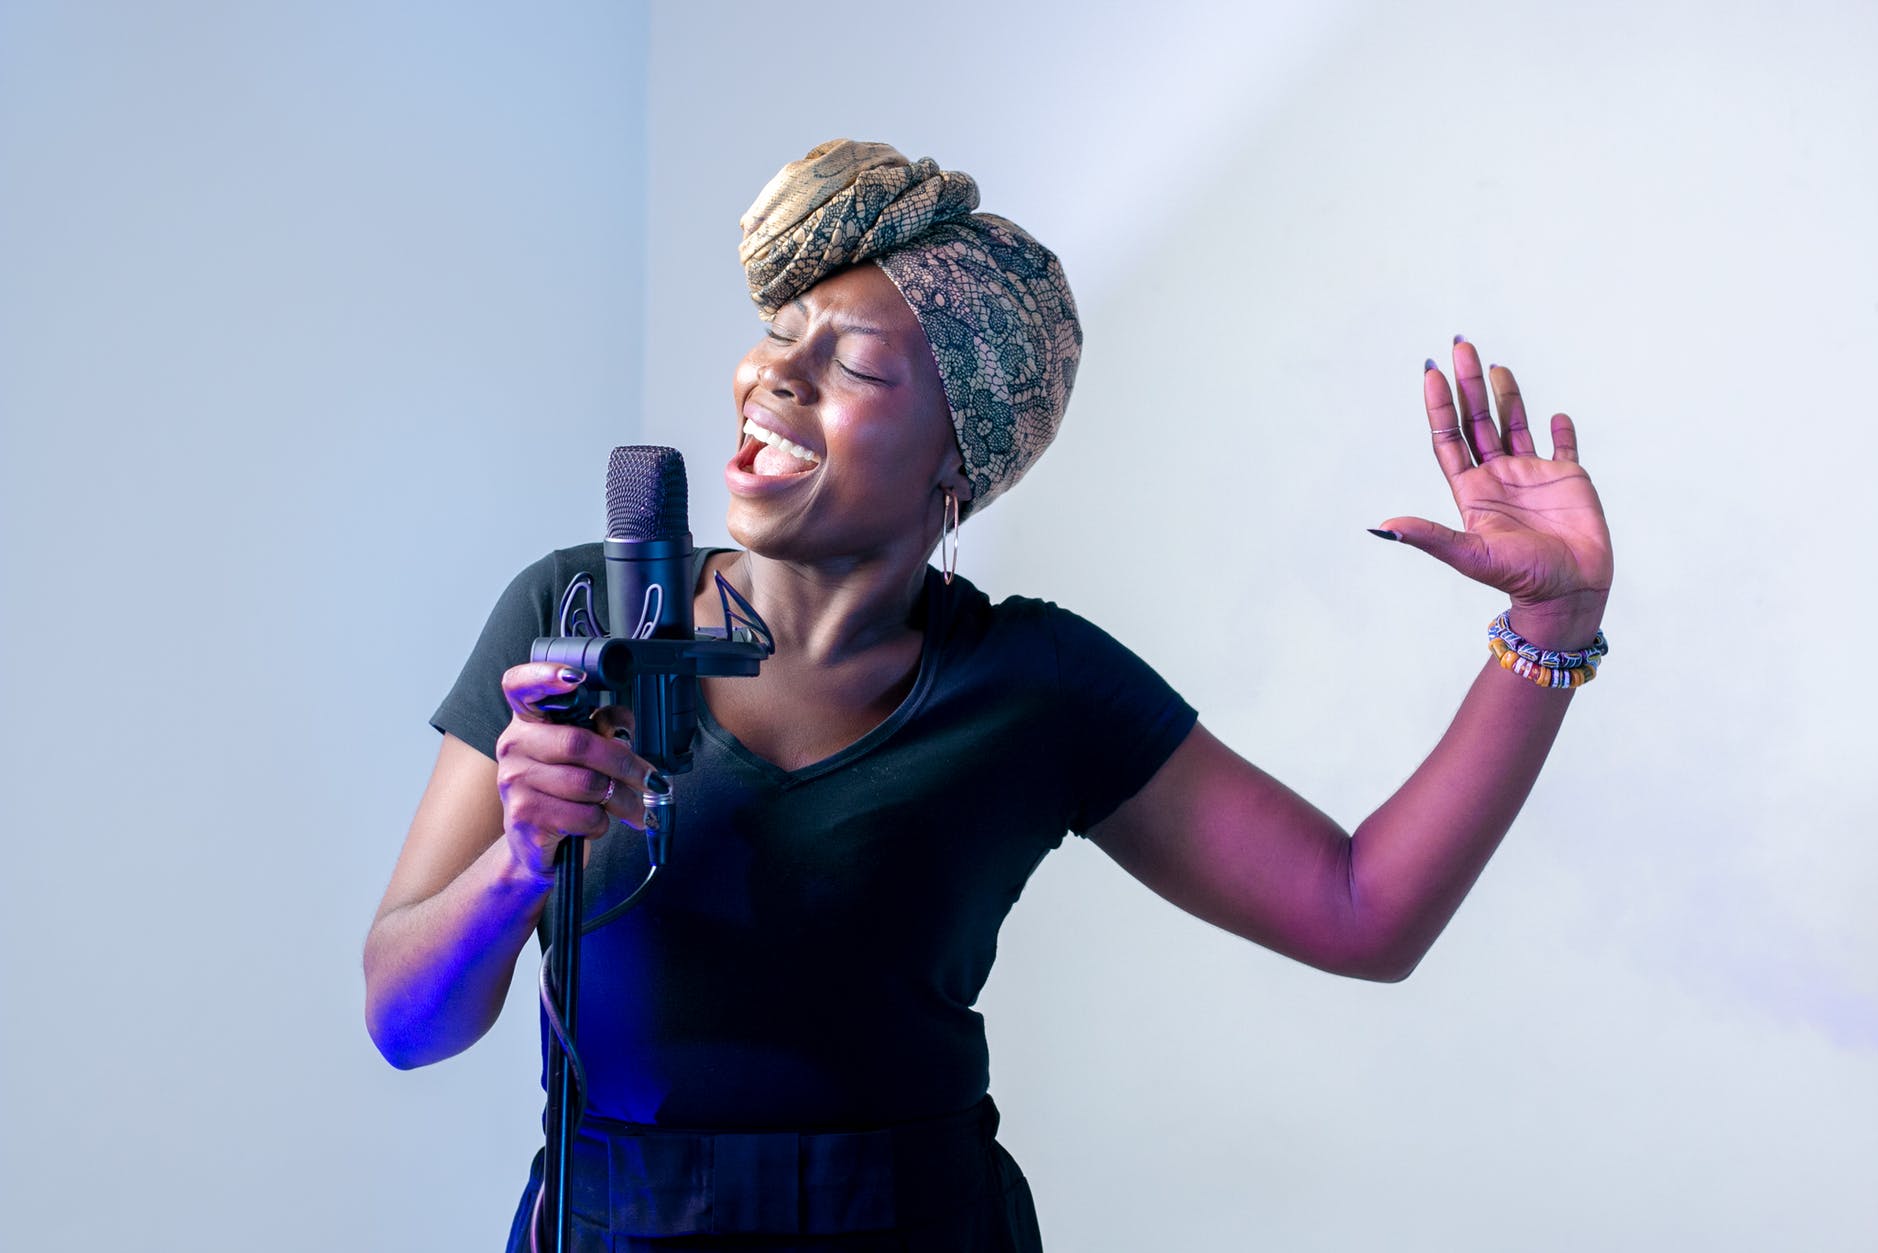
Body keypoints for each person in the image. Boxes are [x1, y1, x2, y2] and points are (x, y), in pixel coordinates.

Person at [363, 139, 1613, 1252]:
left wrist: (1547, 626)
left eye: (847, 362)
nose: (771, 375)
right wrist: (518, 864)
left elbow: (1359, 911)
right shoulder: (573, 620)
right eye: (781, 328)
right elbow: (402, 1020)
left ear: (957, 458)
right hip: (610, 1226)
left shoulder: (1034, 685)